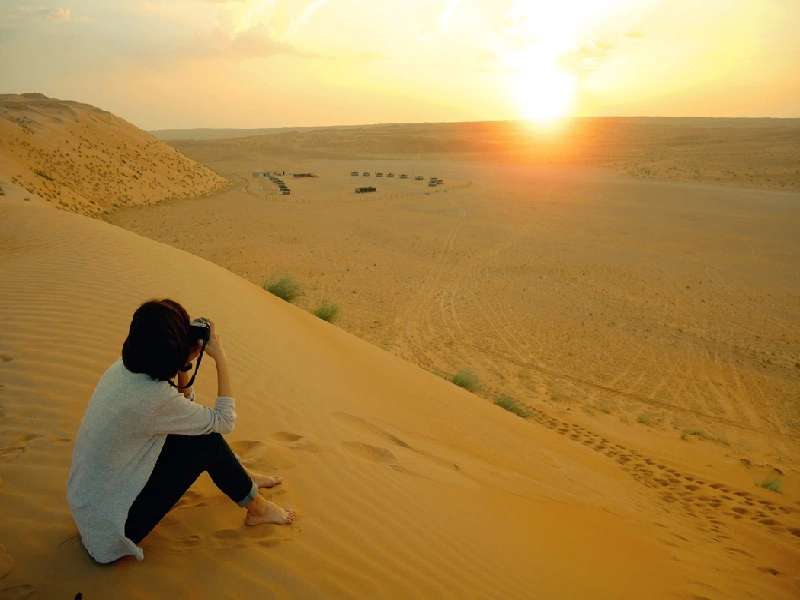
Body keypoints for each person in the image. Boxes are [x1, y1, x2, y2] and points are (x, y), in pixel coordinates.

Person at [66, 298, 295, 564]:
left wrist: (181, 364)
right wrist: (219, 356)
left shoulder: (122, 369)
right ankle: (258, 508)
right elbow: (223, 422)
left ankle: (243, 478)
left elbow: (180, 411)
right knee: (206, 442)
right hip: (113, 530)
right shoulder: (152, 399)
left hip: (91, 507)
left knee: (193, 429)